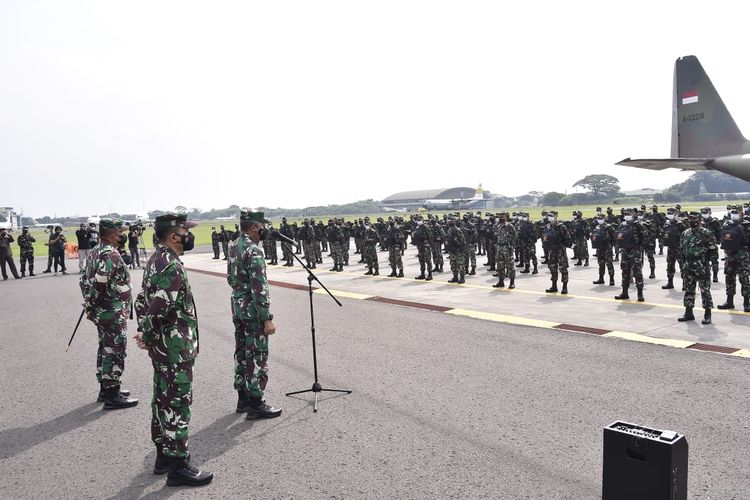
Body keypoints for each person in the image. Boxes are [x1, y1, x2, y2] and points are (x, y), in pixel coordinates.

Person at [133, 213, 213, 486]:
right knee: (177, 402)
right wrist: (148, 332)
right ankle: (179, 465)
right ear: (173, 236)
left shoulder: (156, 259)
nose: (189, 235)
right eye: (185, 231)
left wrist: (147, 334)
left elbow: (141, 301)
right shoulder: (172, 266)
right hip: (174, 347)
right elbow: (159, 307)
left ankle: (163, 456)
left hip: (162, 346)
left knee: (162, 399)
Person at [227, 210, 282, 420]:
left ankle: (242, 398)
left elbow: (230, 279)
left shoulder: (233, 246)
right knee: (257, 354)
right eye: (263, 226)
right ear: (254, 227)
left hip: (238, 307)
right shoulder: (254, 251)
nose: (265, 230)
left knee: (242, 351)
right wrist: (266, 316)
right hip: (252, 310)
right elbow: (259, 288)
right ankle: (256, 403)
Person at [79, 219, 138, 409]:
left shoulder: (95, 251)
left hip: (104, 311)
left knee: (105, 348)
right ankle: (113, 394)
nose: (122, 236)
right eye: (120, 232)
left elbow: (84, 280)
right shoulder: (110, 254)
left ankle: (106, 388)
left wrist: (90, 304)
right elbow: (100, 282)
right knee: (115, 348)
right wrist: (91, 303)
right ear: (112, 234)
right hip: (111, 311)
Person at [678, 211, 716, 324]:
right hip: (688, 266)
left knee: (705, 291)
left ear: (699, 220)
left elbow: (713, 251)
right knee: (689, 290)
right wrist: (683, 267)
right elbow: (682, 251)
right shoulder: (685, 233)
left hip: (701, 266)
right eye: (690, 218)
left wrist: (711, 267)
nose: (691, 221)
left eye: (694, 219)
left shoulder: (706, 233)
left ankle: (707, 314)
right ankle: (688, 312)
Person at [717, 206, 750, 312]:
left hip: (742, 256)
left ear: (742, 213)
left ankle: (746, 303)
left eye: (738, 212)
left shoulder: (747, 225)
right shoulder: (727, 224)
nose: (735, 214)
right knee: (729, 279)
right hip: (730, 256)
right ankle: (729, 302)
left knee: (744, 280)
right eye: (733, 213)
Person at [614, 208, 646, 302]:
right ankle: (624, 293)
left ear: (633, 214)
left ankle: (640, 294)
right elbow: (618, 236)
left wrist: (638, 247)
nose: (627, 215)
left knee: (637, 273)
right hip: (624, 252)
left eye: (629, 213)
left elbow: (645, 238)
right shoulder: (622, 225)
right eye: (625, 214)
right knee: (625, 272)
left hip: (634, 252)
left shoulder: (638, 225)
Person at [541, 210, 571, 294]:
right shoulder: (547, 226)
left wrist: (563, 245)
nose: (550, 217)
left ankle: (564, 287)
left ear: (556, 216)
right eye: (549, 215)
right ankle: (554, 286)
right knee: (552, 268)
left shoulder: (561, 227)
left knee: (563, 269)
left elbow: (568, 239)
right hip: (552, 251)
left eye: (552, 215)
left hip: (560, 251)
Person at [493, 212, 517, 289]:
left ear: (506, 218)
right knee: (500, 265)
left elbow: (515, 235)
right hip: (499, 248)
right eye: (499, 217)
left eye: (502, 217)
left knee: (510, 266)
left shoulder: (509, 226)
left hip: (507, 248)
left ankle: (512, 282)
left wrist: (511, 243)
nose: (500, 219)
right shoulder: (498, 226)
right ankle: (501, 281)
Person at [411, 216, 432, 280]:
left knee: (428, 260)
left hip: (425, 246)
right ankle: (422, 274)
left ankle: (430, 274)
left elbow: (430, 236)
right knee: (421, 260)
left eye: (420, 220)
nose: (418, 221)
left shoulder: (426, 227)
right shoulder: (417, 227)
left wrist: (427, 242)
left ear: (422, 220)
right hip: (419, 246)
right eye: (418, 220)